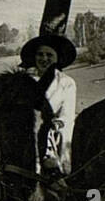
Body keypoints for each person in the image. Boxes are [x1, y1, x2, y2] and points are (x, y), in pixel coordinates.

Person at [21, 33, 78, 174]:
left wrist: (53, 125)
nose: (44, 59)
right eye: (40, 54)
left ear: (57, 58)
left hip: (52, 134)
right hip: (26, 131)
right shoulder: (26, 80)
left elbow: (67, 115)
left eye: (49, 55)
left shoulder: (65, 83)